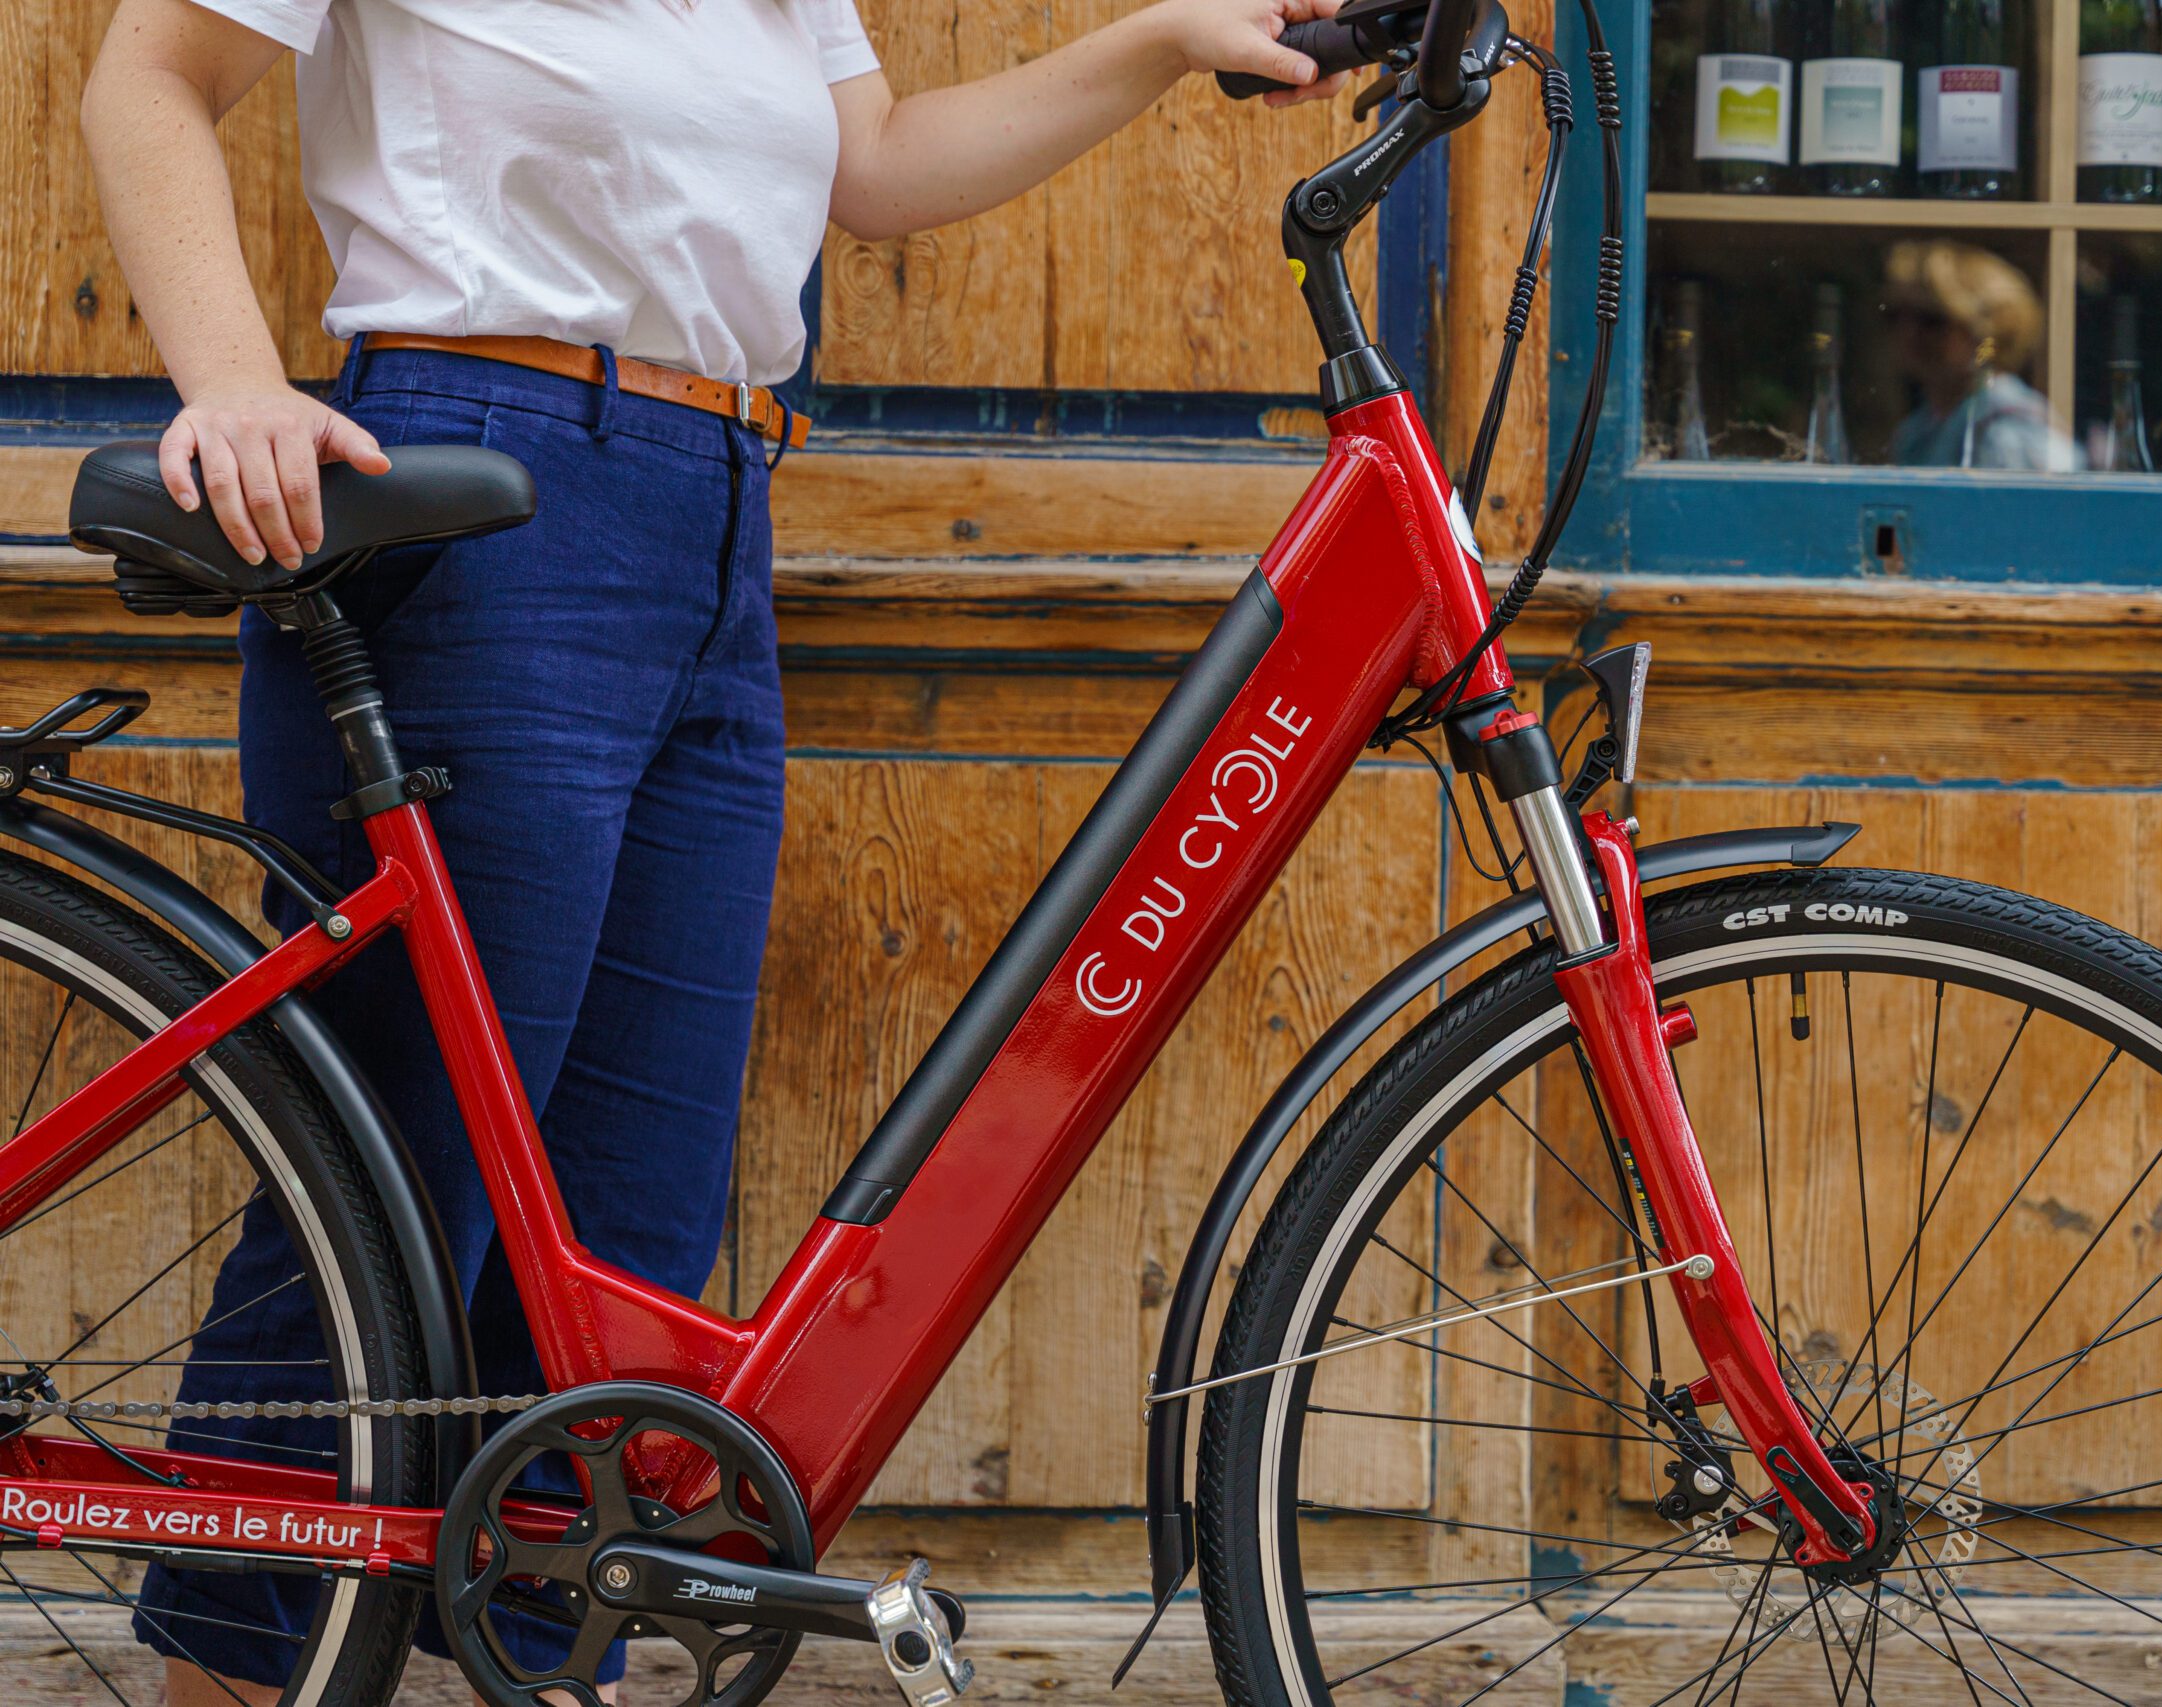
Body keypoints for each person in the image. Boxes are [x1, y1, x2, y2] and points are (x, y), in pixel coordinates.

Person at [77, 1, 1348, 1702]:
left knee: (620, 1256)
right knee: (389, 1199)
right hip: (479, 486)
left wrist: (1162, 41)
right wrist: (233, 383)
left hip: (716, 505)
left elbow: (877, 165)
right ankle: (233, 1670)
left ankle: (549, 1657)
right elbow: (151, 71)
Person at [1880, 239, 2078, 472]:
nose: (1908, 333)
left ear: (1986, 331)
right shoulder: (1919, 429)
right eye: (1895, 316)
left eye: (1931, 320)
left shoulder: (2007, 429)